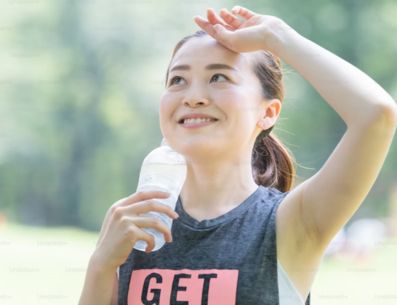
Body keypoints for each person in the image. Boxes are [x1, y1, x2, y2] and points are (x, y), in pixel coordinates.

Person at [78, 5, 397, 305]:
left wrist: (277, 35)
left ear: (268, 112)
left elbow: (376, 115)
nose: (194, 97)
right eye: (178, 80)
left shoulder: (289, 223)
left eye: (219, 77)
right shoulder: (135, 224)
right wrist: (101, 264)